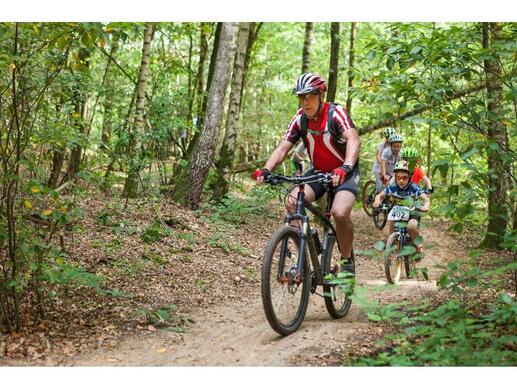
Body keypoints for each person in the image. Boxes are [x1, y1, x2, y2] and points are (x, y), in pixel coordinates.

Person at [252, 73, 361, 277]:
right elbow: (284, 148)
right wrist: (266, 170)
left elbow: (353, 139)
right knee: (293, 202)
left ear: (321, 95)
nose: (305, 102)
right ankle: (300, 258)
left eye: (310, 96)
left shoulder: (336, 113)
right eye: (301, 97)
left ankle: (346, 261)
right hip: (318, 172)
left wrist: (346, 166)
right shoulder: (299, 119)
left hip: (345, 172)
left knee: (339, 212)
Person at [373, 160, 430, 256]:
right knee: (392, 218)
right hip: (399, 210)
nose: (401, 180)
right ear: (395, 177)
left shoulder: (414, 187)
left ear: (409, 178)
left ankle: (418, 246)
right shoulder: (392, 187)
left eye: (404, 178)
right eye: (398, 177)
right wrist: (377, 201)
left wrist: (425, 206)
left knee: (411, 227)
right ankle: (392, 241)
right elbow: (379, 195)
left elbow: (426, 199)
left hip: (412, 211)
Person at [372, 127, 397, 194]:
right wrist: (382, 163)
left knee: (392, 185)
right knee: (379, 187)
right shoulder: (381, 146)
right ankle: (376, 198)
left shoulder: (395, 146)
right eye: (387, 137)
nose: (389, 138)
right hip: (379, 168)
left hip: (390, 169)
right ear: (385, 137)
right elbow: (378, 156)